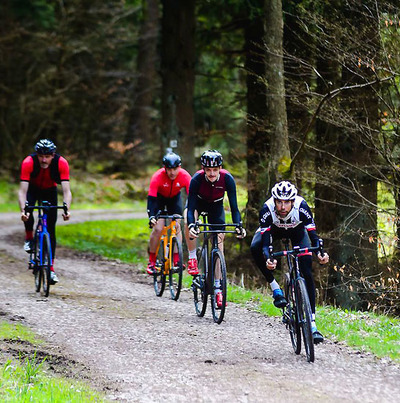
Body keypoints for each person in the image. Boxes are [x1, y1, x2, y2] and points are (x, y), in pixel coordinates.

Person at [250, 181, 329, 344]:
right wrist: (269, 259)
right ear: (275, 201)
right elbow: (265, 244)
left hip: (297, 232)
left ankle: (312, 325)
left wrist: (321, 253)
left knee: (306, 270)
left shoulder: (302, 207)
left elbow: (313, 236)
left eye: (286, 202)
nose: (283, 206)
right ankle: (275, 288)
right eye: (279, 202)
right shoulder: (267, 209)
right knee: (255, 247)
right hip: (274, 230)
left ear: (293, 201)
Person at [186, 150, 246, 307]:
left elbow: (234, 208)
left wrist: (238, 225)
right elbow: (191, 207)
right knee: (187, 219)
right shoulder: (196, 179)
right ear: (203, 169)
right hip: (198, 205)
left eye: (215, 170)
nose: (212, 174)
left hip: (216, 207)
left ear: (220, 168)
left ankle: (218, 288)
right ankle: (192, 257)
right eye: (208, 170)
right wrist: (192, 224)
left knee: (219, 241)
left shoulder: (228, 179)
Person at [18, 139, 72, 284]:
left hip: (50, 191)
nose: (43, 160)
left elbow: (66, 191)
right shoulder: (28, 162)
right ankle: (29, 238)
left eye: (47, 156)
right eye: (41, 156)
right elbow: (22, 191)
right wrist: (24, 210)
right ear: (37, 155)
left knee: (51, 229)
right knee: (28, 213)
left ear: (53, 156)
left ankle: (51, 269)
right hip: (32, 190)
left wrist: (67, 209)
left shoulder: (61, 163)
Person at [146, 151, 192, 275]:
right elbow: (151, 198)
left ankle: (177, 260)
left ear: (179, 167)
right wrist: (151, 216)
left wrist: (190, 211)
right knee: (158, 228)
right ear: (164, 168)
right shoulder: (157, 176)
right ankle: (151, 261)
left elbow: (192, 196)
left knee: (177, 227)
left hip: (174, 200)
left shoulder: (185, 176)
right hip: (159, 200)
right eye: (169, 169)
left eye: (175, 169)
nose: (172, 173)